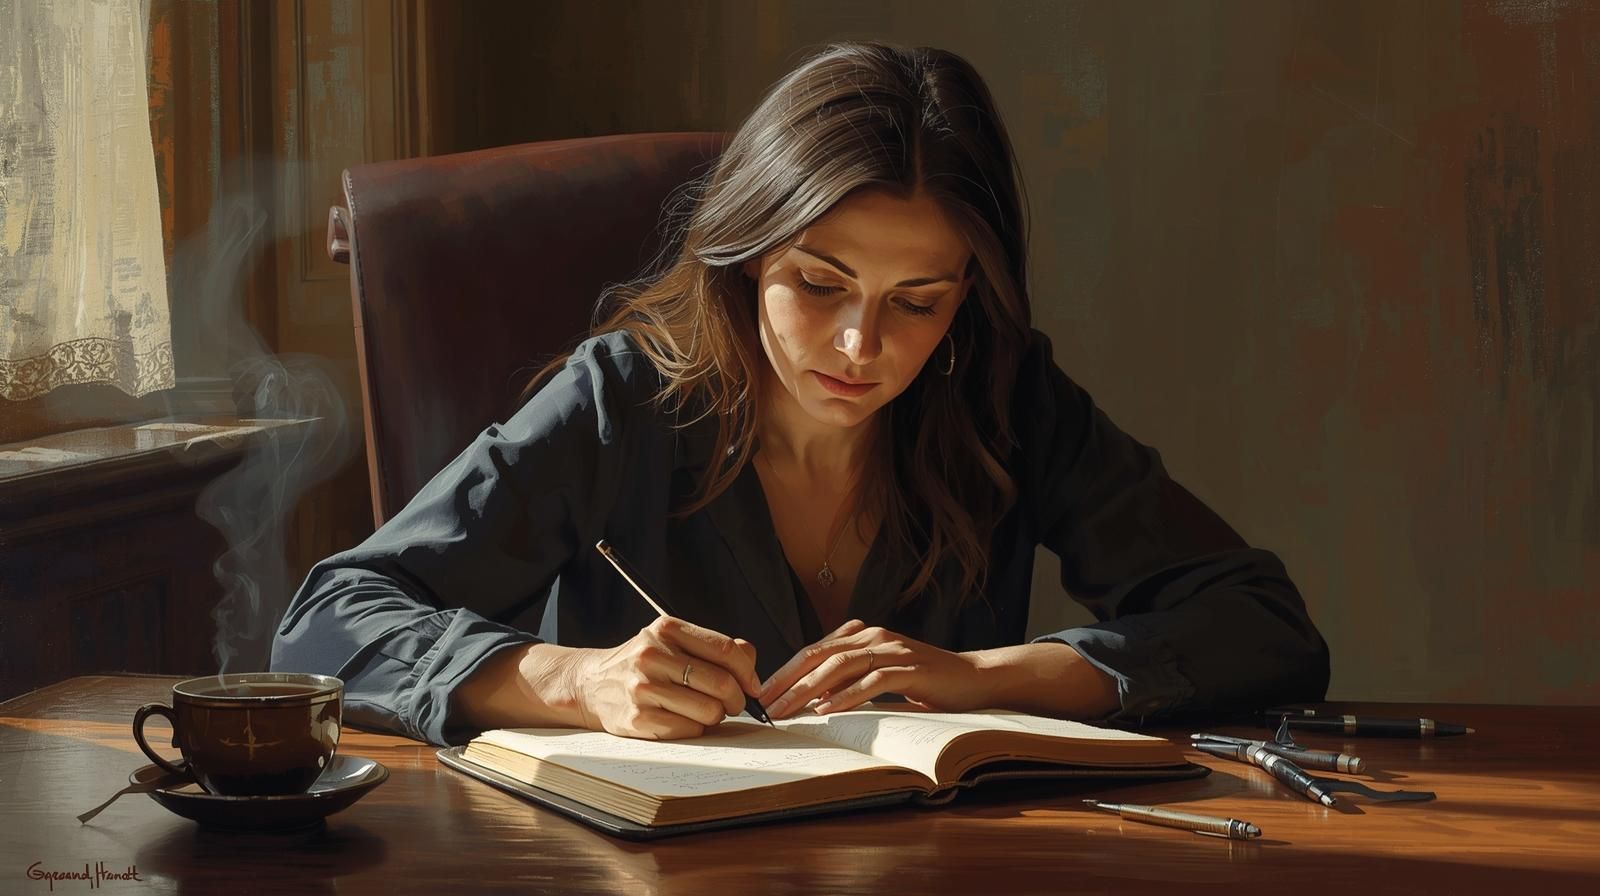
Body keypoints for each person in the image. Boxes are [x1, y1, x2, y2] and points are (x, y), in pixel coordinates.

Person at [270, 40, 1329, 747]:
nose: (862, 345)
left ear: (968, 294)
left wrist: (986, 676)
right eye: (820, 285)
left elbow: (1263, 625)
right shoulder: (619, 401)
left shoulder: (1002, 396)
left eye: (918, 300)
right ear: (743, 259)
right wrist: (575, 681)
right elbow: (324, 624)